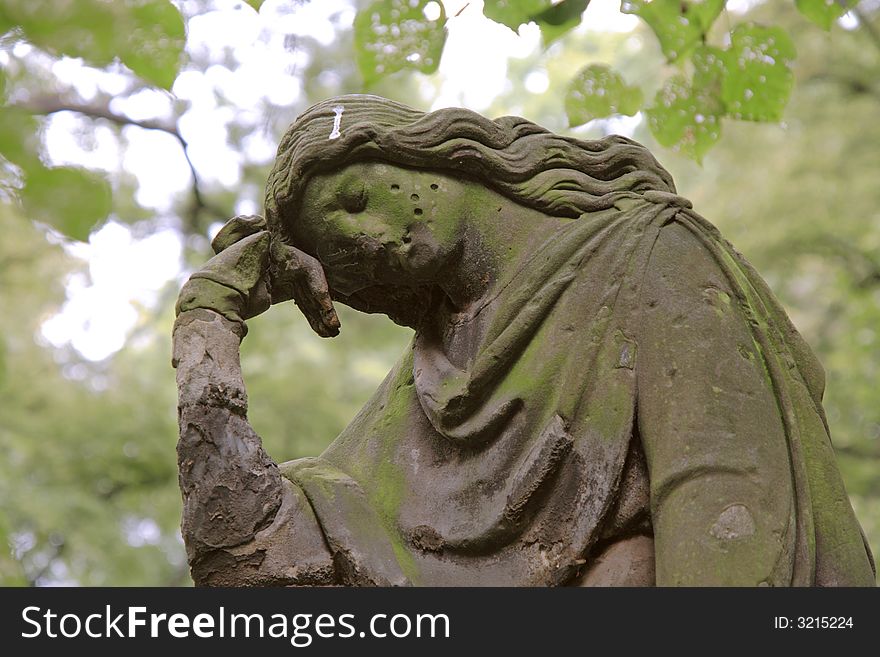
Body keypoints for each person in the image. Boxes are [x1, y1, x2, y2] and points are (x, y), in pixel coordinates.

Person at [173, 94, 875, 586]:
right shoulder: (412, 402)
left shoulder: (646, 255)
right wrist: (209, 314)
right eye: (342, 253)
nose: (364, 241)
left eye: (355, 200)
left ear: (424, 153)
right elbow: (255, 567)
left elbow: (726, 494)